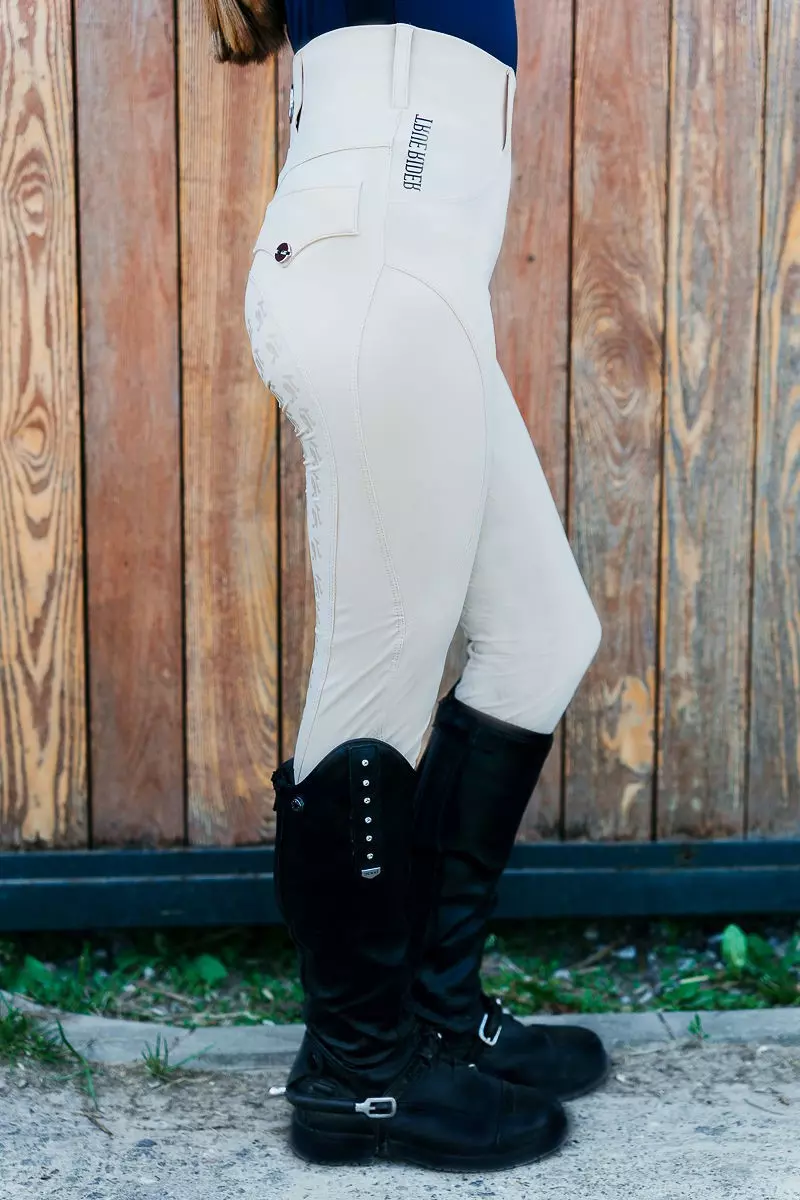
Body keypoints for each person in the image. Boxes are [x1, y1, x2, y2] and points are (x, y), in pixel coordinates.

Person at [205, 0, 607, 1173]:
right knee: (374, 671)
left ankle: (433, 1011)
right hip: (378, 257)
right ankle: (357, 1075)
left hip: (416, 263)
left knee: (539, 632)